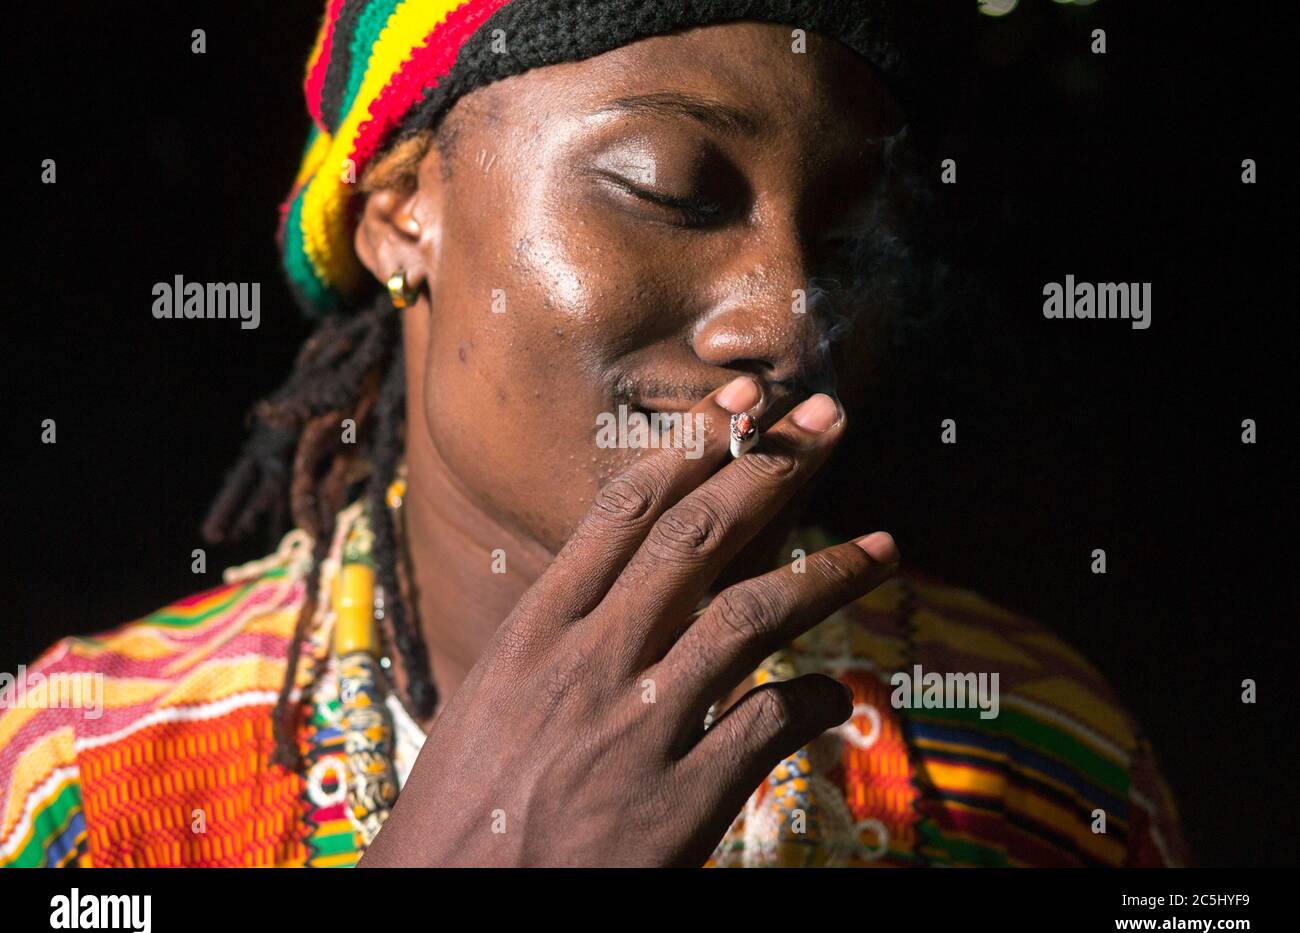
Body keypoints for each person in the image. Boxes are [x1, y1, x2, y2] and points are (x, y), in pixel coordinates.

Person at [0, 0, 1187, 868]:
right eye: (672, 190)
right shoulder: (91, 791)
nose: (790, 322)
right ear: (404, 214)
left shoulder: (1038, 765)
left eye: (840, 239)